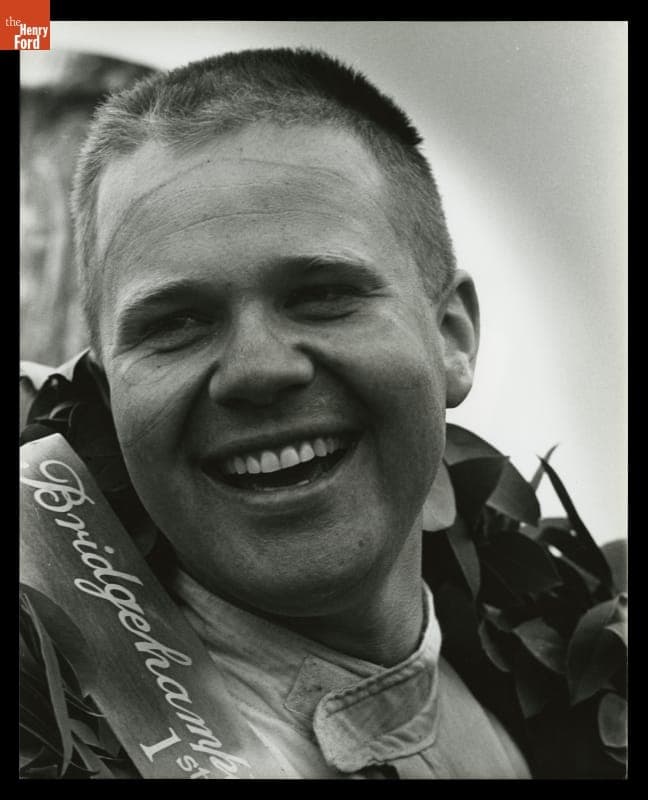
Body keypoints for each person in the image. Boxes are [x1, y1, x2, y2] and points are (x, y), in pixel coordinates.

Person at [20, 48, 625, 780]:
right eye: (175, 323)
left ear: (452, 337)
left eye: (323, 295)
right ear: (109, 390)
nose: (259, 370)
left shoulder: (565, 695)